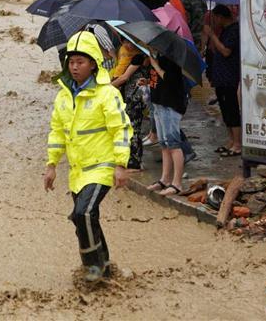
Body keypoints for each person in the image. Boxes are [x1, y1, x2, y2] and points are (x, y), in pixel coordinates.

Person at [44, 30, 132, 284]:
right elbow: (57, 132)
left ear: (93, 63)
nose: (74, 67)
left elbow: (121, 129)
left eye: (80, 62)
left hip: (102, 166)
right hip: (77, 170)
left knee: (83, 213)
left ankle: (93, 269)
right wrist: (51, 165)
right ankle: (103, 264)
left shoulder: (107, 94)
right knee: (82, 218)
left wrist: (120, 164)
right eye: (71, 62)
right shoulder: (63, 96)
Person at [146, 51, 189, 196]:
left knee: (173, 144)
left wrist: (155, 65)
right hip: (158, 103)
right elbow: (157, 79)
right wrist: (147, 81)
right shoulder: (157, 56)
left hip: (170, 105)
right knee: (164, 144)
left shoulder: (171, 58)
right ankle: (164, 179)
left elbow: (170, 79)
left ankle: (177, 183)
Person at [203, 5, 242, 157]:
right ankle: (231, 141)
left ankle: (237, 144)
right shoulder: (224, 30)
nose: (214, 22)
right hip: (220, 77)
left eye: (215, 18)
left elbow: (226, 51)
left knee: (231, 109)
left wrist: (212, 35)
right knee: (225, 110)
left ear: (220, 17)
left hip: (229, 76)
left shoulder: (234, 30)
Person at [110, 37, 149, 171]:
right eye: (124, 42)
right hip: (129, 96)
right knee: (130, 127)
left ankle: (135, 162)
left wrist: (107, 88)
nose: (128, 45)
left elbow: (125, 77)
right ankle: (130, 159)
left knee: (134, 128)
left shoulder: (138, 57)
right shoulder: (125, 56)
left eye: (130, 42)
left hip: (136, 97)